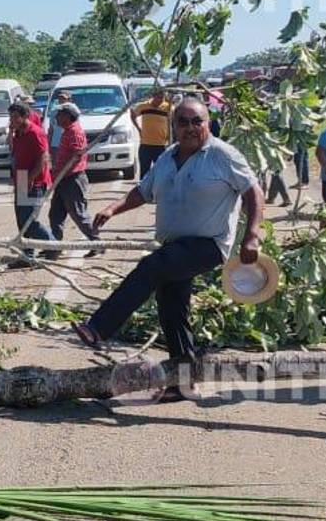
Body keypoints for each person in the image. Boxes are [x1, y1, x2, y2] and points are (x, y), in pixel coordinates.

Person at [72, 96, 264, 402]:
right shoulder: (167, 157)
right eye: (183, 122)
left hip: (208, 245)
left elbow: (253, 191)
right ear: (172, 126)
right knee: (173, 312)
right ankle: (183, 382)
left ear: (208, 123)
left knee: (151, 267)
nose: (190, 128)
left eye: (196, 121)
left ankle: (99, 327)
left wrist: (252, 234)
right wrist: (112, 208)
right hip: (176, 246)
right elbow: (143, 192)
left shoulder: (222, 155)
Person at [48, 103, 103, 256]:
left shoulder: (74, 131)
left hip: (72, 179)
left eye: (59, 115)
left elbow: (77, 155)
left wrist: (62, 170)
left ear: (67, 116)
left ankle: (97, 243)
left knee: (78, 214)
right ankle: (54, 248)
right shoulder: (67, 131)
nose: (56, 118)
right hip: (62, 179)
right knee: (55, 214)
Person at [8, 101, 56, 265]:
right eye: (10, 117)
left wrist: (30, 179)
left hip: (34, 182)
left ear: (24, 116)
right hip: (21, 179)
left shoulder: (36, 133)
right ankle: (27, 255)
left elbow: (43, 159)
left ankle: (54, 245)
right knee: (22, 221)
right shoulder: (18, 133)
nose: (12, 120)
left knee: (30, 221)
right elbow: (13, 153)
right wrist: (10, 132)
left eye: (15, 117)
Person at [131, 87, 171, 178]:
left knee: (161, 173)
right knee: (144, 173)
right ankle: (144, 191)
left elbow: (175, 120)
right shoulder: (143, 106)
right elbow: (133, 115)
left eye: (162, 98)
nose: (160, 100)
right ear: (153, 96)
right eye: (158, 97)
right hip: (146, 145)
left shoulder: (168, 107)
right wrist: (138, 129)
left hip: (161, 145)